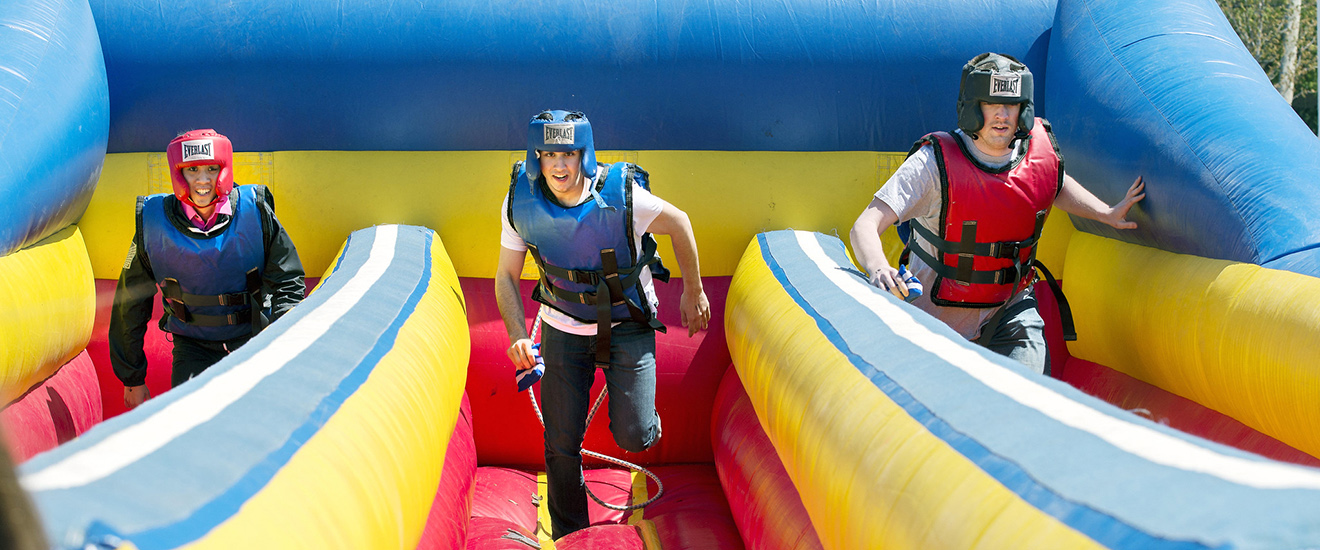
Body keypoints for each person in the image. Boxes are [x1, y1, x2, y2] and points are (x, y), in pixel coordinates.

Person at [850, 53, 1145, 374]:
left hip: (1010, 311)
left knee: (1030, 395)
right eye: (992, 104)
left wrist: (1107, 213)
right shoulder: (932, 163)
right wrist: (878, 267)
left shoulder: (1037, 154)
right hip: (935, 322)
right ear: (973, 107)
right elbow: (865, 224)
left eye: (1012, 104)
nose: (1003, 115)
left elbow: (1055, 184)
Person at [495, 110, 711, 539]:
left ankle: (644, 418)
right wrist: (518, 335)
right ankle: (570, 535)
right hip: (562, 326)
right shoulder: (519, 201)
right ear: (536, 156)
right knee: (560, 444)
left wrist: (694, 291)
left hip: (626, 322)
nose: (559, 165)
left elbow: (680, 222)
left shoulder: (623, 194)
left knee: (634, 435)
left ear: (586, 155)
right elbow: (505, 276)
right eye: (549, 154)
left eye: (569, 154)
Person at [109, 129, 305, 409]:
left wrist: (285, 345)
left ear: (224, 169)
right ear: (179, 174)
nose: (203, 180)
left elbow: (288, 282)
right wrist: (133, 378)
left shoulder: (255, 211)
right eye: (192, 170)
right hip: (193, 347)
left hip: (252, 339)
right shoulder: (153, 224)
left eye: (212, 169)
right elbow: (130, 303)